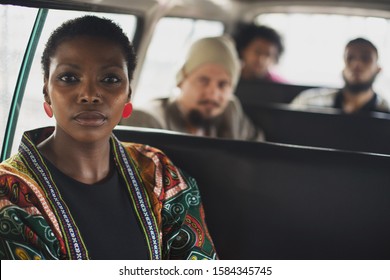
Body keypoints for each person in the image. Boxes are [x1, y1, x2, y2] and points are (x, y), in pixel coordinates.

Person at [0, 16, 216, 260]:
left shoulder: (159, 173)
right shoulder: (8, 196)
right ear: (46, 92)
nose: (90, 95)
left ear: (128, 94)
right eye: (69, 78)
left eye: (110, 79)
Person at [121, 36, 264, 141]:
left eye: (223, 84)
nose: (213, 93)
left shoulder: (230, 110)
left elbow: (257, 154)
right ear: (181, 81)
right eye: (203, 80)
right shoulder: (146, 119)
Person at [291, 38, 390, 114]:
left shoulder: (386, 112)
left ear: (378, 69)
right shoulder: (308, 103)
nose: (356, 64)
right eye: (350, 58)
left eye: (365, 58)